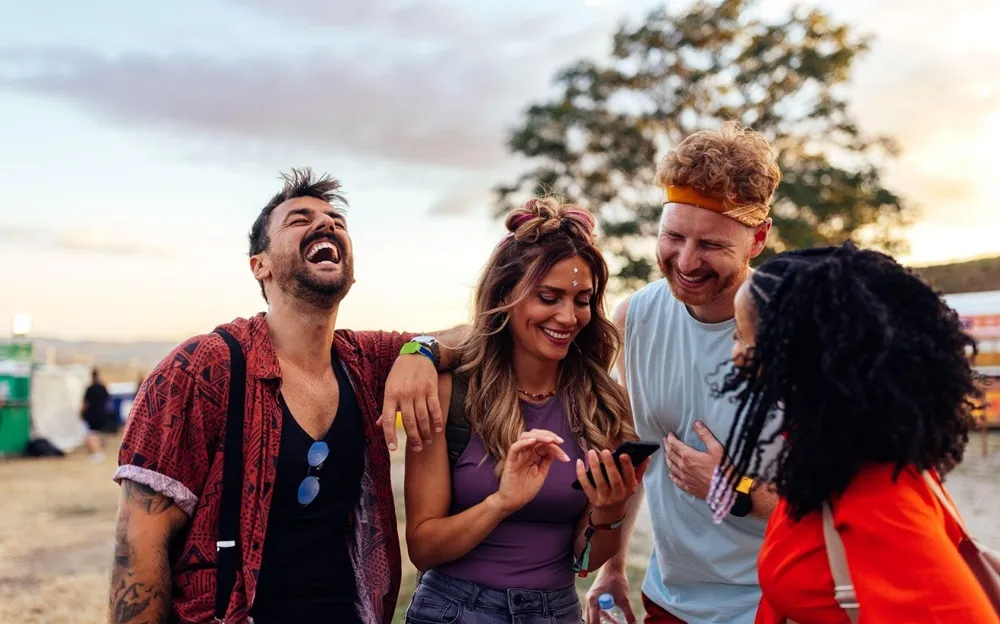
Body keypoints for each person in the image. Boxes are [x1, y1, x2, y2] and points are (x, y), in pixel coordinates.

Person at [109, 167, 465, 624]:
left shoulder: (364, 359)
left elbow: (479, 336)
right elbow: (139, 544)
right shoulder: (201, 368)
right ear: (261, 265)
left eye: (337, 219)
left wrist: (422, 350)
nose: (327, 224)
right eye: (299, 218)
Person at [707, 243, 1000, 624]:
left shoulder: (876, 494)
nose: (736, 355)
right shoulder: (827, 456)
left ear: (797, 355)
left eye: (741, 336)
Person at [404, 199, 646, 623]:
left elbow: (584, 562)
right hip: (454, 611)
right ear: (505, 295)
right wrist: (502, 502)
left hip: (556, 610)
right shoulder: (450, 391)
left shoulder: (603, 405)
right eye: (548, 297)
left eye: (582, 299)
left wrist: (608, 512)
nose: (568, 317)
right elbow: (424, 548)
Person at [584, 121, 784, 624]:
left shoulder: (796, 329)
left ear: (757, 239)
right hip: (669, 599)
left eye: (712, 245)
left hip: (778, 602)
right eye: (673, 236)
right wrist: (611, 571)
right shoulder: (636, 319)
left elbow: (843, 502)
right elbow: (633, 457)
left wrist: (733, 489)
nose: (686, 261)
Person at [82, 367, 110, 462]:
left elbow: (85, 403)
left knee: (92, 435)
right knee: (96, 434)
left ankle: (97, 453)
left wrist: (81, 413)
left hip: (92, 414)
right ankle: (97, 453)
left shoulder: (90, 388)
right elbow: (107, 400)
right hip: (102, 413)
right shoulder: (103, 387)